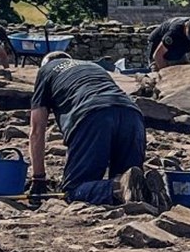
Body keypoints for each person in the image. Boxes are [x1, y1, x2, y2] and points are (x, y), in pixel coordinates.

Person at [28, 52, 168, 207]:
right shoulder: (93, 66)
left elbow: (36, 131)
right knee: (132, 180)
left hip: (93, 116)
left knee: (74, 190)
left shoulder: (46, 71)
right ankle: (148, 189)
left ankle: (118, 187)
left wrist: (38, 178)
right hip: (131, 114)